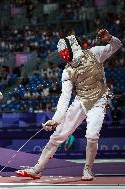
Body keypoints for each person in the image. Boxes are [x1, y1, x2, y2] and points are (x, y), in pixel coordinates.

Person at [16, 29, 122, 181]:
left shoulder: (94, 53)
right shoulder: (67, 70)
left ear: (72, 47)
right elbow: (64, 98)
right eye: (62, 52)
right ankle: (37, 169)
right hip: (81, 101)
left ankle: (88, 169)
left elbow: (117, 45)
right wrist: (56, 119)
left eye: (65, 51)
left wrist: (109, 38)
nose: (63, 55)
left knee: (92, 136)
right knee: (57, 136)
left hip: (99, 101)